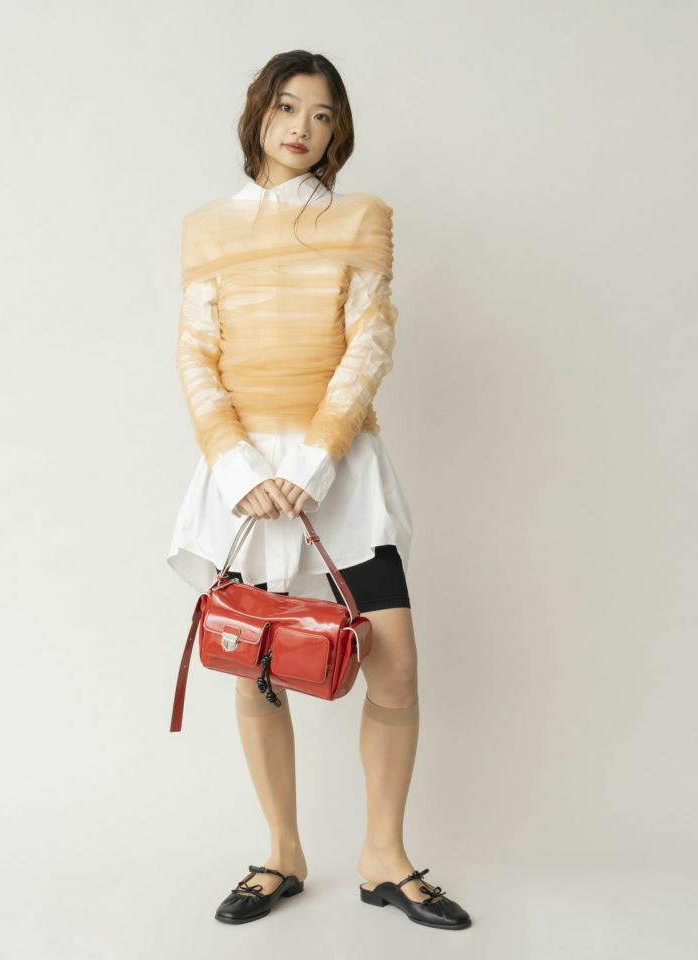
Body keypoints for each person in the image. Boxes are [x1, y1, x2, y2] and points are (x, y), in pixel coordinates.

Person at [167, 50, 472, 930]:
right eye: (287, 107)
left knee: (395, 662)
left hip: (337, 470)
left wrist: (310, 466)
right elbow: (195, 354)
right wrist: (238, 470)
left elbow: (370, 341)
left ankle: (384, 858)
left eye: (323, 114)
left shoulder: (362, 218)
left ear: (338, 131)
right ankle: (282, 853)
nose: (302, 126)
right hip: (242, 477)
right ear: (259, 114)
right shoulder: (207, 227)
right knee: (258, 664)